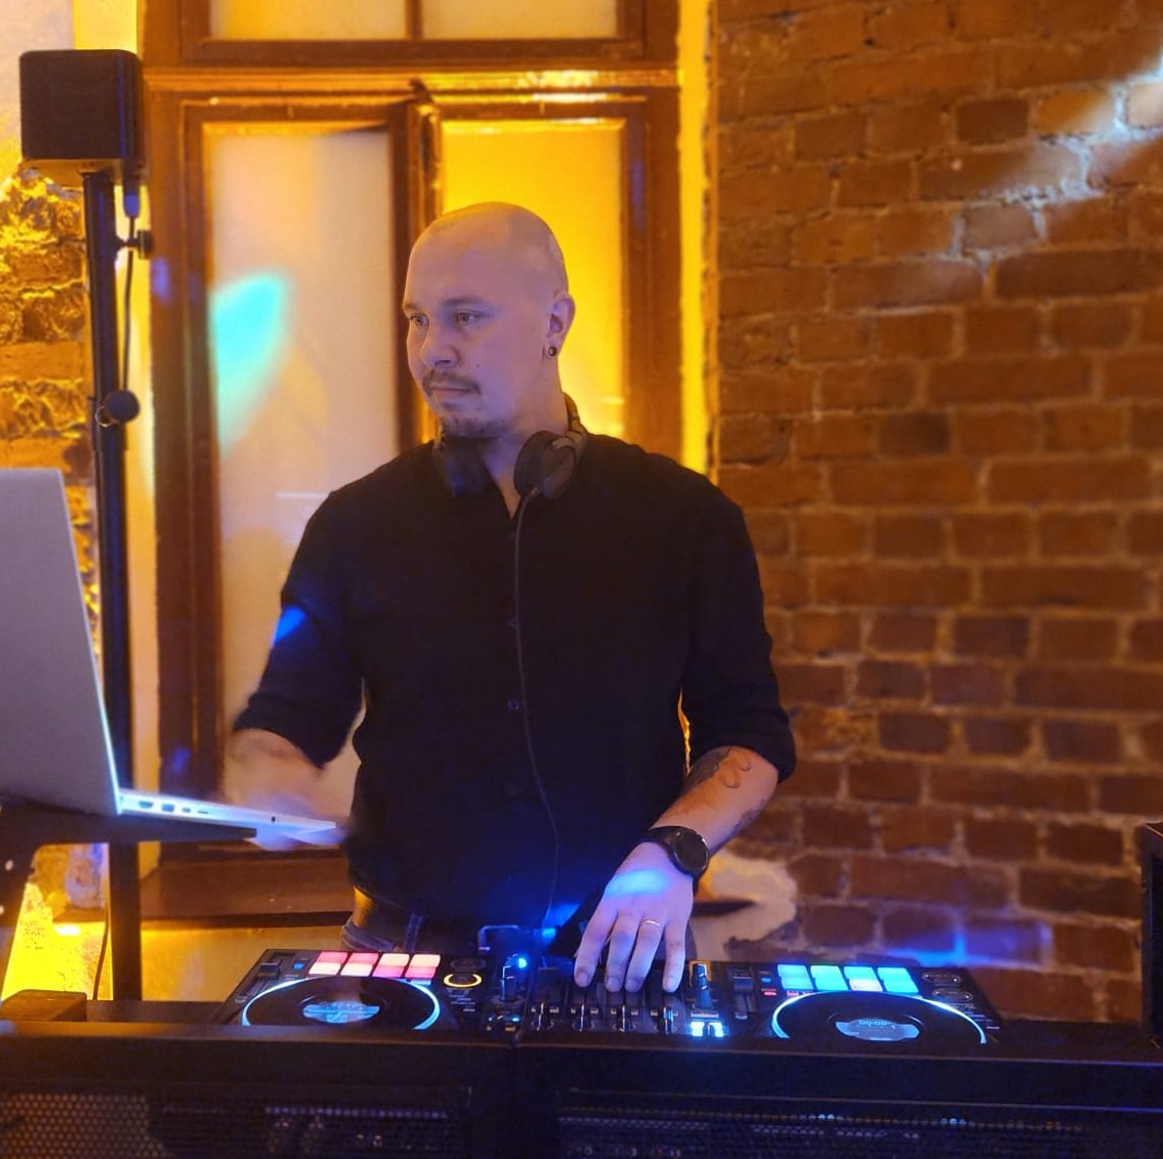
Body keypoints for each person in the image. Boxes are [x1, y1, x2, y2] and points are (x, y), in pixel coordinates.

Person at [226, 202, 794, 993]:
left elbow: (750, 736)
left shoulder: (686, 519)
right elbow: (284, 722)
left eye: (466, 317)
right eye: (418, 320)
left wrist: (672, 852)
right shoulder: (353, 525)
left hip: (614, 960)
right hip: (401, 963)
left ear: (555, 323)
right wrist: (268, 776)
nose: (434, 349)